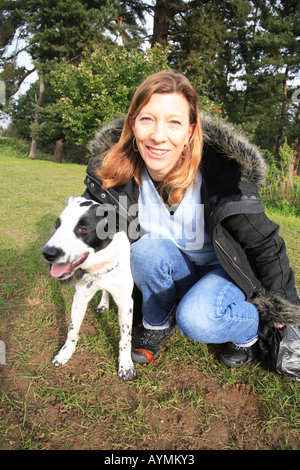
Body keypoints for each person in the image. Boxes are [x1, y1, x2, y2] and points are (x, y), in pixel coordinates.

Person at [83, 70, 300, 368]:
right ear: (133, 125)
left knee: (196, 319)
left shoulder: (223, 175)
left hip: (222, 271)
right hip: (175, 269)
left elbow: (264, 242)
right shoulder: (115, 174)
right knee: (145, 249)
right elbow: (94, 224)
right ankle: (156, 323)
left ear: (189, 131)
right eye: (147, 119)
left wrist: (283, 309)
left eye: (174, 122)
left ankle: (246, 333)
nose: (158, 136)